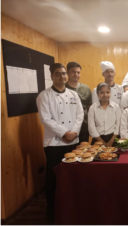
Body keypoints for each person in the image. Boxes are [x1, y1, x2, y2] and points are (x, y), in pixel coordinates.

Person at [36, 63, 84, 221]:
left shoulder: (73, 95)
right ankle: (53, 213)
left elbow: (80, 115)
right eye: (58, 74)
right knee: (53, 179)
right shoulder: (44, 96)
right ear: (52, 76)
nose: (62, 76)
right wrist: (64, 133)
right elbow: (45, 119)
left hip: (73, 142)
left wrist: (74, 132)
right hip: (54, 144)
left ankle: (73, 209)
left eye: (64, 74)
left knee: (72, 178)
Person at [65, 61, 92, 143]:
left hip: (83, 127)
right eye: (73, 72)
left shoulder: (86, 88)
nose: (76, 74)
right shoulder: (63, 88)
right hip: (67, 128)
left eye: (78, 72)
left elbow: (89, 108)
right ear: (67, 73)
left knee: (84, 152)